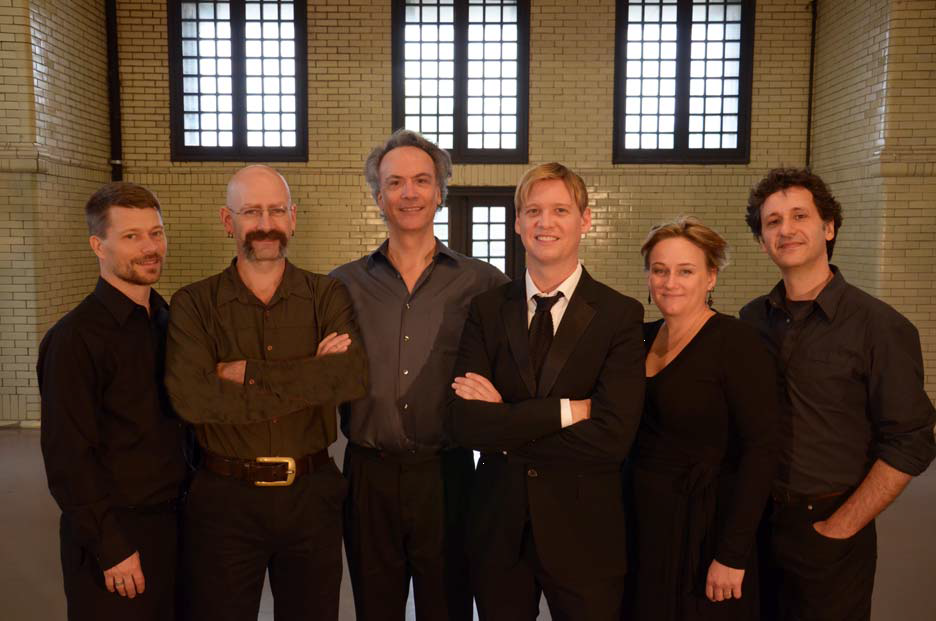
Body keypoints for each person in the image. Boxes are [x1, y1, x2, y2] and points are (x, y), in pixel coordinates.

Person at [164, 165, 368, 621]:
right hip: (224, 500)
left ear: (292, 218)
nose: (265, 223)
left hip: (311, 497)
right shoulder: (193, 303)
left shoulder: (327, 295)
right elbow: (194, 401)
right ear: (228, 220)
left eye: (276, 210)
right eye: (251, 211)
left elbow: (348, 379)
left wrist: (246, 373)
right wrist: (311, 374)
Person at [446, 163, 645, 620]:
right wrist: (567, 412)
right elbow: (466, 423)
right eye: (533, 210)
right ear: (517, 222)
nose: (545, 222)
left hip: (584, 531)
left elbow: (613, 437)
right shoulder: (487, 309)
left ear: (585, 219)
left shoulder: (619, 315)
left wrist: (505, 422)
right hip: (500, 529)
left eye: (560, 210)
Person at [739, 168, 936, 621]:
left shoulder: (880, 326)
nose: (786, 229)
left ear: (828, 227)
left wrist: (842, 525)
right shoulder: (751, 321)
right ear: (762, 240)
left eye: (799, 216)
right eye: (772, 221)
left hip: (829, 524)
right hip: (756, 523)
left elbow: (911, 440)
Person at [331, 130, 508, 621]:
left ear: (439, 192)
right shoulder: (341, 285)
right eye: (395, 182)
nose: (409, 193)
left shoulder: (484, 283)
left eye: (421, 181)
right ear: (378, 196)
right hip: (368, 476)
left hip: (447, 475)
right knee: (376, 608)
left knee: (448, 607)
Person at [37, 182, 188, 620]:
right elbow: (68, 458)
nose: (150, 247)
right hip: (118, 538)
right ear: (97, 246)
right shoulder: (74, 340)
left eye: (156, 233)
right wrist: (112, 547)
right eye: (131, 236)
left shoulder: (168, 321)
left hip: (178, 528)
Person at [630, 216, 779, 621]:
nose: (670, 282)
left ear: (711, 277)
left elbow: (762, 451)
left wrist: (733, 553)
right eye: (659, 270)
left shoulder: (737, 342)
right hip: (643, 522)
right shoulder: (638, 338)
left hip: (705, 526)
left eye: (686, 271)